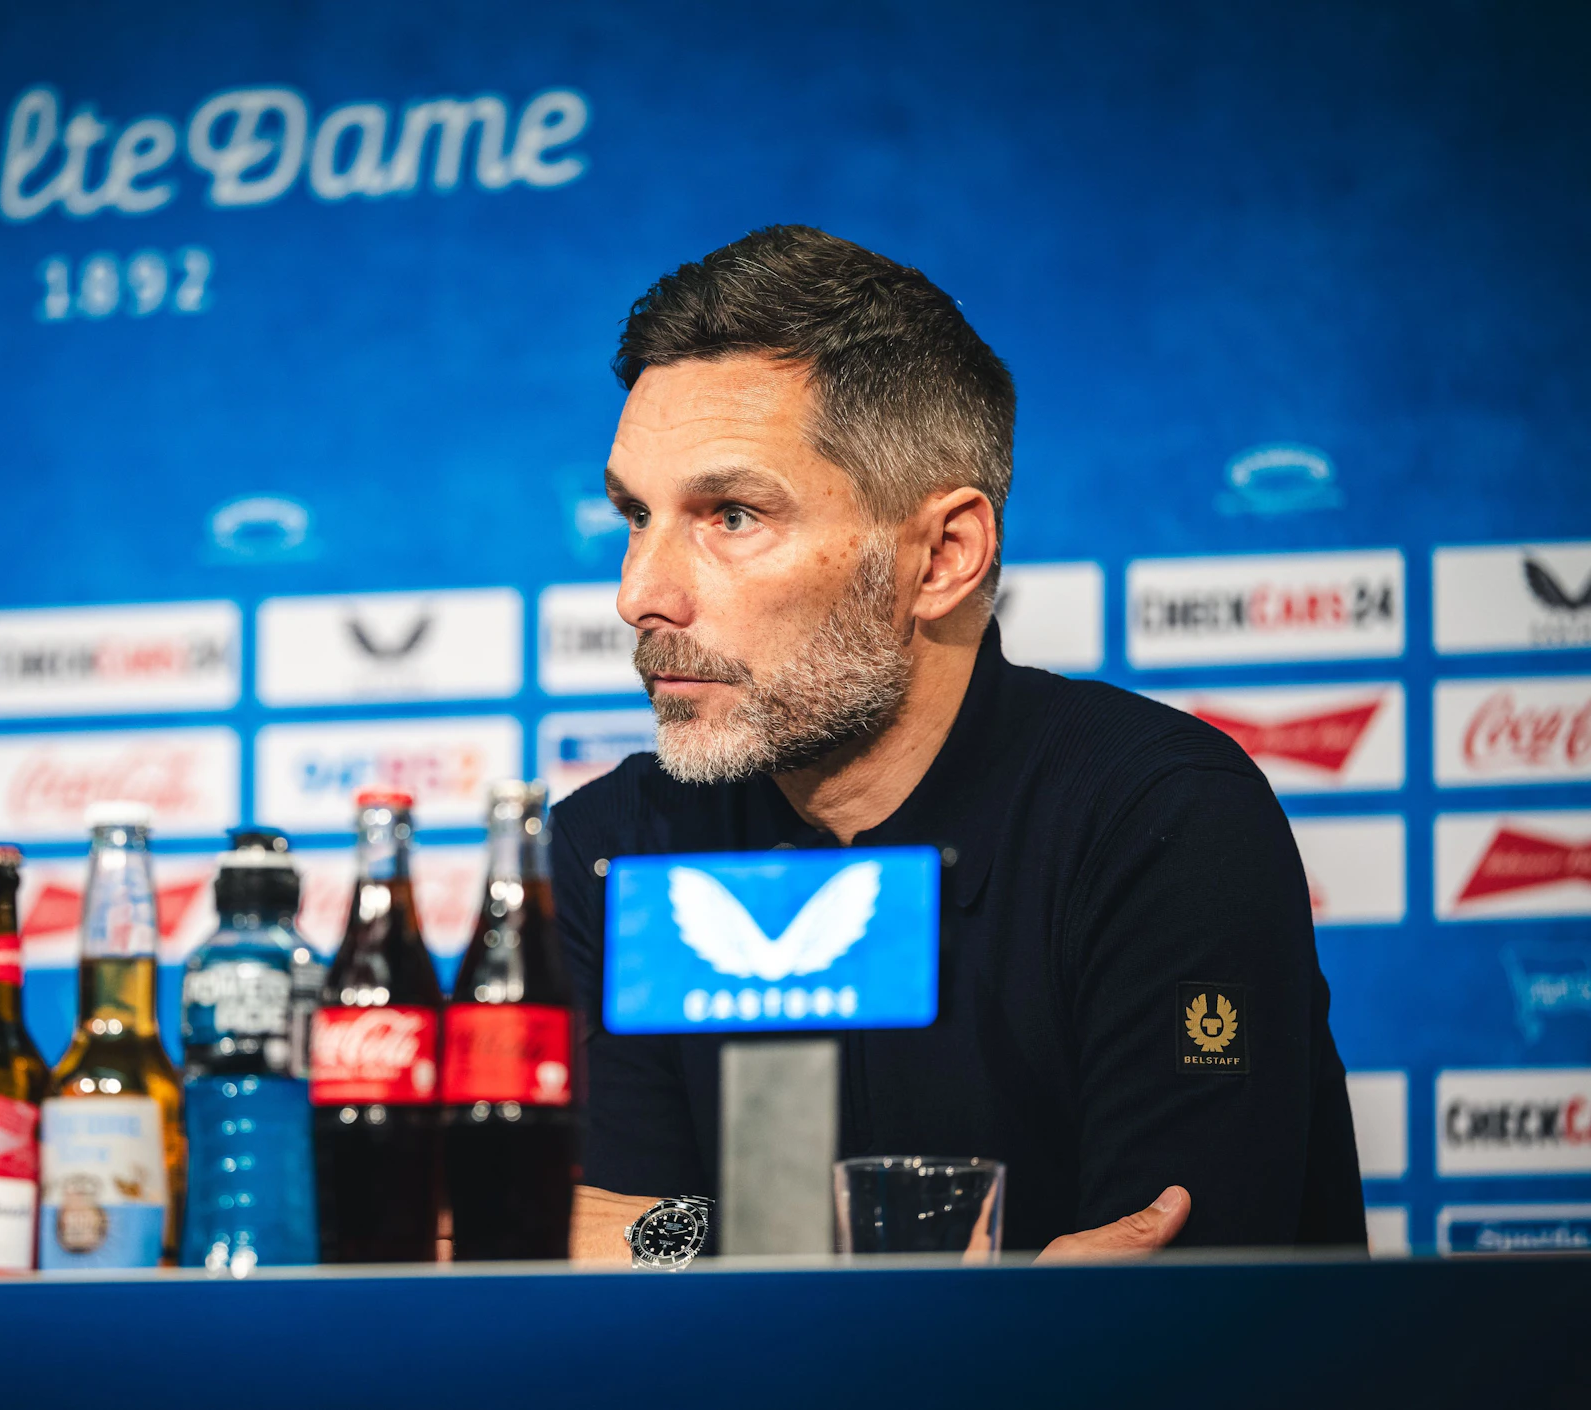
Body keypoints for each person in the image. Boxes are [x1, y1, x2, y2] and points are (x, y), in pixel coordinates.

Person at [551, 225, 1366, 1262]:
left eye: (733, 516)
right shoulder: (616, 844)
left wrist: (705, 1249)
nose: (640, 593)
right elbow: (610, 1268)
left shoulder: (1158, 819)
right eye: (635, 515)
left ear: (941, 556)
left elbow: (1163, 1312)